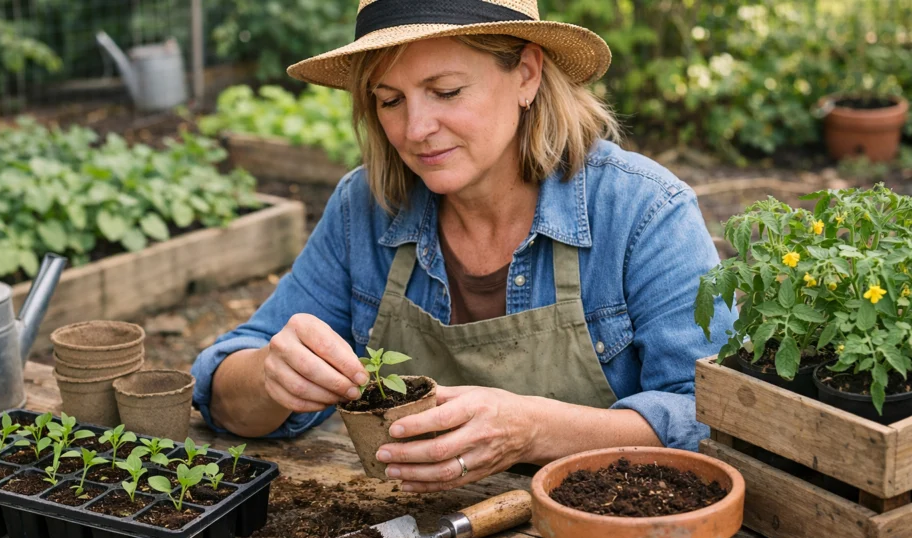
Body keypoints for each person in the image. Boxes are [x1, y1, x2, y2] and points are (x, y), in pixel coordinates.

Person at [191, 0, 735, 493]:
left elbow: (717, 421)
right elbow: (219, 389)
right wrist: (269, 375)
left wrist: (534, 430)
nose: (415, 129)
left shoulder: (645, 212)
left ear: (526, 73)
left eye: (446, 92)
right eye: (389, 100)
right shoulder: (366, 207)